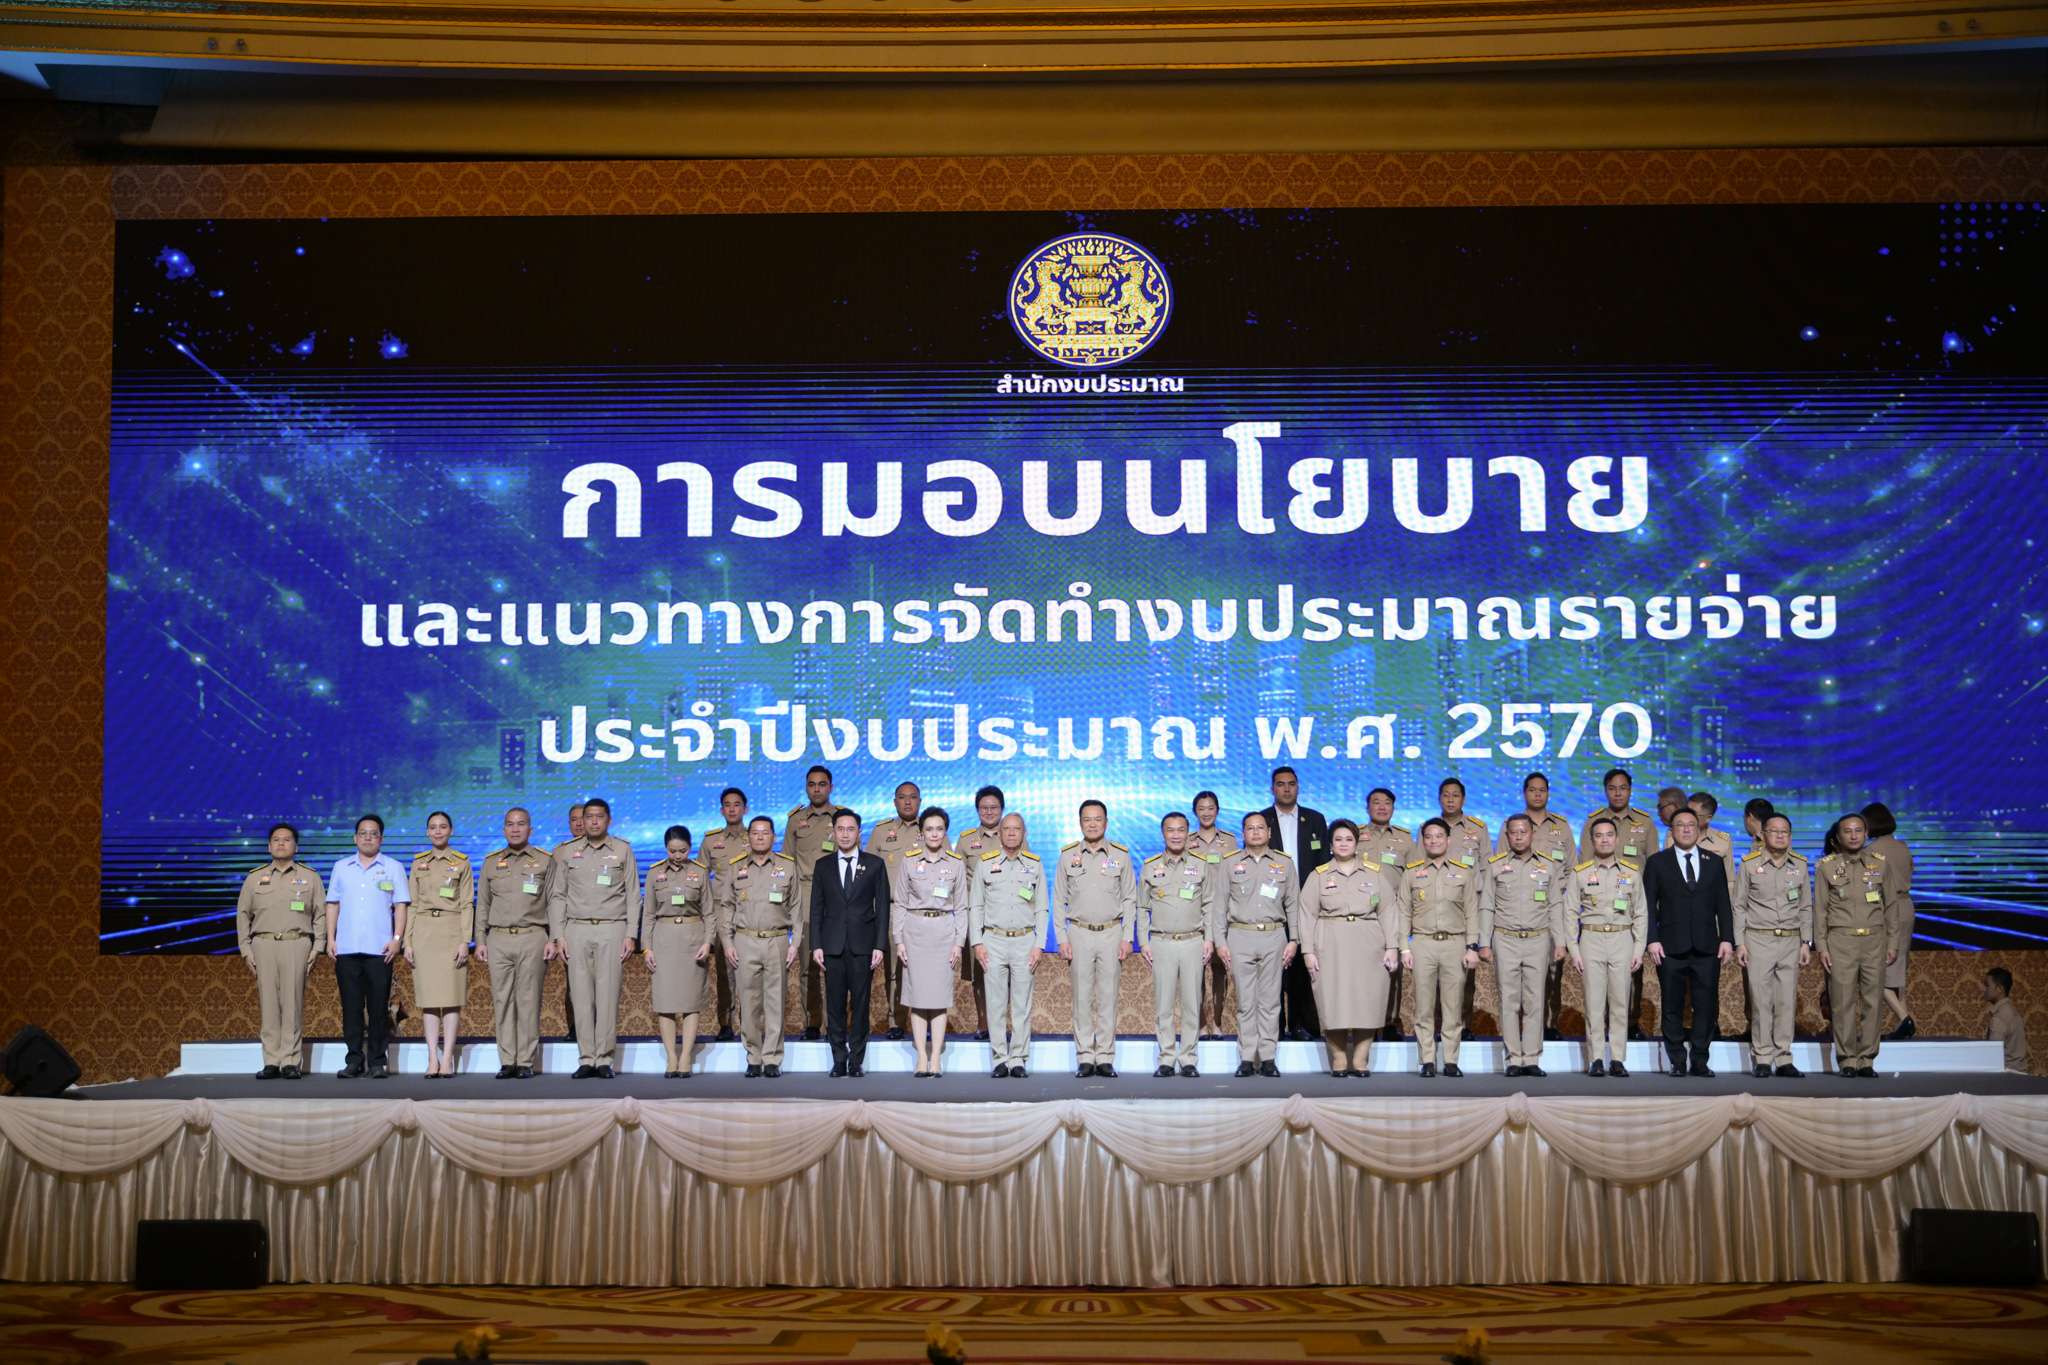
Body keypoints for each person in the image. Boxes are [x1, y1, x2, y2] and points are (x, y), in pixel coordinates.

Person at [1299, 819, 1399, 1077]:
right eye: (1338, 839)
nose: (1343, 844)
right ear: (1330, 845)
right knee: (1333, 1000)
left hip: (1369, 944)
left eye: (1349, 839)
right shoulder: (1318, 875)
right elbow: (1306, 915)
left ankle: (1361, 1058)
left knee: (1368, 1000)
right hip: (1330, 943)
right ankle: (1339, 1058)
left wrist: (1392, 946)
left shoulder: (1375, 873)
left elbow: (1388, 911)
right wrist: (1308, 951)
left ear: (1357, 843)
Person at [546, 797, 637, 1080]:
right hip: (576, 929)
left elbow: (633, 894)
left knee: (607, 996)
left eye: (599, 816)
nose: (594, 821)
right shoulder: (567, 852)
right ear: (582, 821)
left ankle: (605, 1058)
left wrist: (631, 934)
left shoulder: (622, 849)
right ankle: (586, 1058)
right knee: (581, 996)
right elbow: (557, 895)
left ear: (609, 820)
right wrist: (558, 935)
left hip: (612, 928)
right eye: (589, 817)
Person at [1644, 808, 1735, 1078]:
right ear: (1671, 830)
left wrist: (1727, 938)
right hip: (1670, 946)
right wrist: (1652, 940)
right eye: (1680, 825)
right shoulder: (1657, 862)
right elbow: (1647, 905)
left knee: (1706, 1005)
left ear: (1698, 829)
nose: (1685, 829)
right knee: (1671, 1005)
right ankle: (1677, 1060)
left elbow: (1723, 904)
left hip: (1707, 946)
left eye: (1691, 825)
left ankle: (1699, 1060)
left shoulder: (1713, 861)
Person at [1815, 811, 1906, 1078]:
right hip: (1840, 941)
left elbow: (1891, 907)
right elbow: (1820, 910)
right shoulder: (1826, 866)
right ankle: (1847, 1060)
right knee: (1842, 1002)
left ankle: (1867, 1059)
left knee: (1873, 1001)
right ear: (1838, 836)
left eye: (1858, 830)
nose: (1853, 835)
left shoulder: (1880, 864)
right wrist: (1822, 946)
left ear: (1866, 834)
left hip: (1874, 941)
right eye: (1847, 831)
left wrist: (1893, 943)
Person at [236, 823, 325, 1080]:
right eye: (276, 839)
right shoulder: (254, 878)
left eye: (286, 840)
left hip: (297, 943)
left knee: (292, 1003)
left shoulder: (310, 877)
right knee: (269, 1004)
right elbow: (243, 915)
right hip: (263, 944)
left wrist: (317, 947)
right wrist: (245, 949)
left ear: (296, 846)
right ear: (268, 846)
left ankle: (290, 1061)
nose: (281, 843)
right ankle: (271, 1061)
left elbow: (320, 915)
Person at [1214, 811, 1300, 1077]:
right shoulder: (1230, 863)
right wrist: (1220, 942)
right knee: (1246, 1001)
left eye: (1260, 827)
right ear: (1243, 833)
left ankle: (1268, 1057)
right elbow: (1219, 905)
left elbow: (1293, 904)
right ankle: (1247, 1057)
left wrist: (1294, 940)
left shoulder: (1285, 863)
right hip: (1240, 936)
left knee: (1271, 1001)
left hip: (1274, 936)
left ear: (1269, 832)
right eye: (1250, 828)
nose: (1255, 832)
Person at [1055, 799, 1137, 1078]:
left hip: (1112, 933)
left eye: (1097, 819)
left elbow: (1130, 898)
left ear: (1106, 822)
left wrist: (1128, 937)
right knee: (1081, 997)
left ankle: (1104, 1056)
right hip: (1078, 933)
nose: (1092, 824)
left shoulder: (1121, 856)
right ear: (1080, 823)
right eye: (1087, 819)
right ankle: (1085, 1057)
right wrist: (1061, 938)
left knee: (1107, 997)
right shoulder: (1067, 856)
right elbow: (1058, 900)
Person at [1481, 813, 1566, 1078]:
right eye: (1513, 832)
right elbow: (1487, 905)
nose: (1518, 837)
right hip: (1505, 939)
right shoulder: (1495, 866)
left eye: (1523, 832)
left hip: (1538, 939)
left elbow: (1555, 905)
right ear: (1507, 836)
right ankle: (1513, 1058)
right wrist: (1484, 943)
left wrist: (1560, 941)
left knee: (1535, 1000)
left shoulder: (1548, 866)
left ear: (1532, 834)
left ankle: (1531, 1057)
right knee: (1509, 1001)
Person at [326, 813, 409, 1079]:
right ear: (355, 838)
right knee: (350, 1008)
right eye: (363, 833)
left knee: (378, 1008)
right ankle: (353, 1060)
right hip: (347, 948)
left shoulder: (393, 867)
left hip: (380, 950)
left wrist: (397, 939)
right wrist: (330, 938)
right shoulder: (341, 867)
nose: (368, 838)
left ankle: (376, 1061)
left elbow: (400, 905)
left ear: (381, 838)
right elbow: (333, 904)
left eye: (373, 834)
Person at [719, 816, 800, 1077]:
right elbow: (726, 907)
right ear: (749, 837)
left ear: (773, 836)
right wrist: (727, 942)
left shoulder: (787, 866)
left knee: (775, 1002)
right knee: (749, 1001)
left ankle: (772, 1058)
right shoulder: (736, 867)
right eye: (755, 832)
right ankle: (753, 1057)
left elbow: (796, 908)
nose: (760, 837)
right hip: (745, 940)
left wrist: (795, 943)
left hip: (777, 940)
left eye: (765, 832)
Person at [813, 807, 891, 1078]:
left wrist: (879, 945)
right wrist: (816, 945)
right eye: (840, 829)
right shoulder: (822, 865)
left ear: (859, 832)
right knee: (834, 1006)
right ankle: (838, 1059)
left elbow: (883, 908)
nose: (845, 834)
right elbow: (816, 908)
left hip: (863, 946)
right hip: (832, 946)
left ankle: (856, 1060)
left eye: (850, 829)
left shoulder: (874, 864)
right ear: (833, 832)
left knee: (860, 1005)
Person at [1399, 817, 1480, 1077]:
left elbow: (1472, 912)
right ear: (1423, 841)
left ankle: (1451, 1060)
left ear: (1448, 840)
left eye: (1439, 836)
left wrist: (1472, 946)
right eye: (1428, 836)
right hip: (1422, 944)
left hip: (1455, 944)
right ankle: (1427, 1060)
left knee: (1452, 1007)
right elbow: (1403, 913)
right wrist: (1404, 947)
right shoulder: (1411, 873)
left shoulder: (1463, 872)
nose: (1434, 840)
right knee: (1423, 1007)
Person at [475, 806, 552, 1079]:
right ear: (504, 829)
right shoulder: (491, 862)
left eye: (521, 824)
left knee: (528, 1000)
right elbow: (482, 905)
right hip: (498, 938)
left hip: (533, 936)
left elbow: (554, 901)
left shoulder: (545, 860)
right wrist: (480, 939)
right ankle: (508, 1060)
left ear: (530, 829)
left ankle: (526, 1061)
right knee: (502, 999)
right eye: (510, 824)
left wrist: (554, 938)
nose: (515, 828)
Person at [1731, 813, 1810, 1078]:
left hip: (1790, 939)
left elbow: (1805, 906)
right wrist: (1740, 943)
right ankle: (1763, 1056)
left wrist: (1806, 942)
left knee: (1786, 1001)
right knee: (1761, 1001)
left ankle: (1784, 1057)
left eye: (1784, 831)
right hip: (1758, 939)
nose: (1779, 835)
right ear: (1763, 835)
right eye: (1774, 831)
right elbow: (1739, 906)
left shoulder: (1800, 865)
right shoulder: (1749, 864)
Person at [1565, 817, 1645, 1077]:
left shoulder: (1631, 872)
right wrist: (1574, 949)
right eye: (1599, 835)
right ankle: (1596, 1058)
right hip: (1591, 939)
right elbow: (1569, 913)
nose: (1604, 839)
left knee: (1621, 1002)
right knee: (1594, 1003)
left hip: (1622, 939)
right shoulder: (1580, 873)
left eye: (1609, 834)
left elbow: (1641, 912)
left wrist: (1638, 948)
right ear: (1592, 840)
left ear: (1617, 839)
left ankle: (1618, 1059)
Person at [970, 812, 1046, 1078]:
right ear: (1000, 833)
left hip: (1025, 941)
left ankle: (1018, 1058)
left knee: (1022, 1004)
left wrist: (1039, 945)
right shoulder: (985, 863)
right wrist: (977, 942)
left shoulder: (1035, 865)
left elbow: (1042, 908)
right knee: (996, 1003)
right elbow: (976, 906)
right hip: (993, 941)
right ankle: (1000, 1058)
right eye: (1007, 829)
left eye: (1017, 829)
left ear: (1024, 833)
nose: (1012, 833)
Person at [890, 807, 963, 1078]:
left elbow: (962, 907)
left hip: (944, 933)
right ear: (921, 833)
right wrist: (899, 940)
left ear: (945, 832)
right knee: (918, 998)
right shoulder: (909, 861)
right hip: (915, 933)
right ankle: (921, 1055)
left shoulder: (955, 863)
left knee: (939, 998)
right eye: (929, 829)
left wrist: (959, 943)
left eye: (939, 829)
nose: (934, 834)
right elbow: (899, 903)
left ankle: (936, 1057)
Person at [1140, 812, 1213, 1078]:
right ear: (1163, 834)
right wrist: (1143, 941)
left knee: (1192, 1004)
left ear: (1187, 833)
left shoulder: (1201, 865)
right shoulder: (1150, 866)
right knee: (1164, 1005)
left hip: (1193, 940)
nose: (1176, 835)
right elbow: (1141, 907)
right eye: (1170, 830)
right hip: (1161, 942)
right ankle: (1167, 1058)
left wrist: (1209, 938)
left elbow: (1209, 904)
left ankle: (1189, 1058)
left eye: (1181, 830)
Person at [1258, 767, 1327, 1040]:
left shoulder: (1315, 819)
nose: (1286, 789)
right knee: (1273, 967)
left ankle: (1301, 1025)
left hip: (1307, 903)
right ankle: (1275, 1026)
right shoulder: (1261, 819)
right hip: (1271, 904)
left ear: (1298, 787)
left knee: (1302, 965)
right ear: (1272, 788)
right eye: (1280, 784)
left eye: (1291, 784)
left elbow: (1323, 863)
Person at [405, 811, 473, 1079]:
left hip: (451, 931)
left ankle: (447, 1059)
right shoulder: (418, 863)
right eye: (433, 827)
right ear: (427, 832)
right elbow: (412, 904)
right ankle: (432, 1058)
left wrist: (464, 940)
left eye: (443, 826)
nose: (437, 831)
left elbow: (467, 904)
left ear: (451, 830)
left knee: (451, 999)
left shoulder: (462, 863)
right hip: (424, 932)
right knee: (429, 1001)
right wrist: (407, 941)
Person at [643, 824, 712, 1078]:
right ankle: (671, 1056)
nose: (677, 856)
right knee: (666, 1002)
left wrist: (708, 942)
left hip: (693, 940)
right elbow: (648, 914)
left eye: (682, 851)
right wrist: (647, 948)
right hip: (663, 940)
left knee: (691, 1002)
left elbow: (710, 913)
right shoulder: (655, 873)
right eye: (672, 851)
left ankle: (686, 1058)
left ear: (690, 848)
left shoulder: (700, 872)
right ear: (666, 849)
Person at [783, 765, 840, 1039]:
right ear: (806, 787)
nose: (817, 789)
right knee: (808, 965)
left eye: (822, 784)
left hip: (835, 896)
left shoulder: (841, 817)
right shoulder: (795, 820)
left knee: (834, 964)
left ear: (831, 787)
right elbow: (786, 862)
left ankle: (834, 1023)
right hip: (804, 894)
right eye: (812, 784)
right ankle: (812, 1023)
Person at [867, 780, 923, 1038]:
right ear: (894, 801)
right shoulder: (881, 831)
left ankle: (927, 1018)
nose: (907, 802)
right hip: (890, 911)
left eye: (912, 797)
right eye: (902, 797)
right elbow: (867, 872)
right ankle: (896, 1022)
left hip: (923, 912)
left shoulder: (931, 828)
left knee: (924, 969)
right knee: (894, 970)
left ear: (920, 801)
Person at [695, 786, 752, 1041]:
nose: (732, 809)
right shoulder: (711, 840)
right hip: (720, 912)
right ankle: (726, 1023)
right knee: (724, 970)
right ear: (721, 810)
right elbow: (699, 878)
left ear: (745, 809)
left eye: (736, 804)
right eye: (727, 805)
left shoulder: (755, 836)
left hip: (748, 909)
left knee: (749, 968)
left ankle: (750, 1021)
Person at [1864, 802, 1918, 1041]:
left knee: (1877, 970)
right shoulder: (1903, 847)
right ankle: (1905, 1021)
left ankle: (1905, 1019)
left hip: (1885, 909)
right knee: (1898, 966)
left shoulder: (1871, 851)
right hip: (1906, 906)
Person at [1188, 790, 1240, 1035]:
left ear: (1217, 810)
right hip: (1195, 912)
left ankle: (1217, 1022)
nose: (1206, 812)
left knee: (1221, 969)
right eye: (1201, 808)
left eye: (1210, 808)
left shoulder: (1229, 840)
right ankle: (1200, 1023)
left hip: (1223, 913)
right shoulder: (1187, 841)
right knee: (1196, 970)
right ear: (1195, 812)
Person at [551, 801, 586, 1047]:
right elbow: (553, 895)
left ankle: (597, 1028)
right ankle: (575, 1027)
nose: (579, 823)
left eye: (583, 818)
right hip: (569, 927)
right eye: (574, 819)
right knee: (574, 982)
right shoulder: (560, 852)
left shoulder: (610, 850)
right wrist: (556, 934)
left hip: (599, 925)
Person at [1435, 778, 1490, 869]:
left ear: (1463, 800)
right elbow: (1419, 865)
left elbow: (1486, 867)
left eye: (1455, 795)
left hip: (1469, 878)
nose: (1450, 800)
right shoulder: (1427, 829)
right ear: (1439, 799)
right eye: (1446, 795)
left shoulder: (1479, 828)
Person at [1986, 967, 2031, 1074]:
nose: (1985, 989)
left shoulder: (2000, 1017)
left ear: (1999, 989)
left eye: (1988, 985)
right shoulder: (2012, 1010)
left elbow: (1994, 1056)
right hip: (2019, 1074)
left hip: (2008, 1076)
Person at [1683, 792, 1732, 860]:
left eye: (1693, 813)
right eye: (1685, 812)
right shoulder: (1672, 835)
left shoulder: (1724, 840)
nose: (1687, 816)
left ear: (1708, 818)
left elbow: (1728, 867)